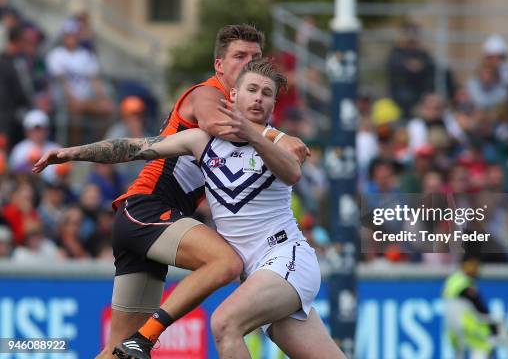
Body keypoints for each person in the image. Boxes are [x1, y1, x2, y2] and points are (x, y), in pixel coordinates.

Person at [34, 58, 343, 359]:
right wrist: (73, 153)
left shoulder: (280, 143)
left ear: (274, 106)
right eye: (252, 90)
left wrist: (252, 132)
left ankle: (148, 335)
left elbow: (292, 171)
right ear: (233, 94)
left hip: (287, 257)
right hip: (257, 273)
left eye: (266, 94)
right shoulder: (200, 140)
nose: (258, 99)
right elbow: (136, 147)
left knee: (225, 323)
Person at [443, 253, 508, 359]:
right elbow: (481, 310)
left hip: (456, 333)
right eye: (475, 265)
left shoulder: (452, 281)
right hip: (476, 333)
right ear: (466, 265)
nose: (477, 269)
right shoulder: (465, 285)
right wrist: (495, 327)